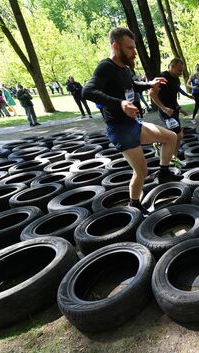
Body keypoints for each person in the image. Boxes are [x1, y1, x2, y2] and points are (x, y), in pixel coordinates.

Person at [82, 27, 181, 214]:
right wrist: (120, 104)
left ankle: (164, 173)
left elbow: (131, 84)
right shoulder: (106, 67)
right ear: (115, 46)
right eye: (129, 48)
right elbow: (87, 91)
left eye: (134, 48)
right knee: (141, 172)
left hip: (133, 124)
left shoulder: (125, 69)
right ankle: (134, 203)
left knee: (171, 137)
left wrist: (149, 84)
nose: (134, 52)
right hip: (120, 130)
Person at [150, 58, 191, 168]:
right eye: (179, 70)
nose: (181, 73)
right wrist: (163, 108)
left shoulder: (176, 79)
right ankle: (170, 157)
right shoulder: (162, 78)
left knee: (177, 136)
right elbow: (152, 94)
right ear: (171, 67)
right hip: (166, 113)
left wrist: (179, 108)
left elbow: (172, 97)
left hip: (174, 112)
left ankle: (172, 156)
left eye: (182, 71)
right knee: (178, 135)